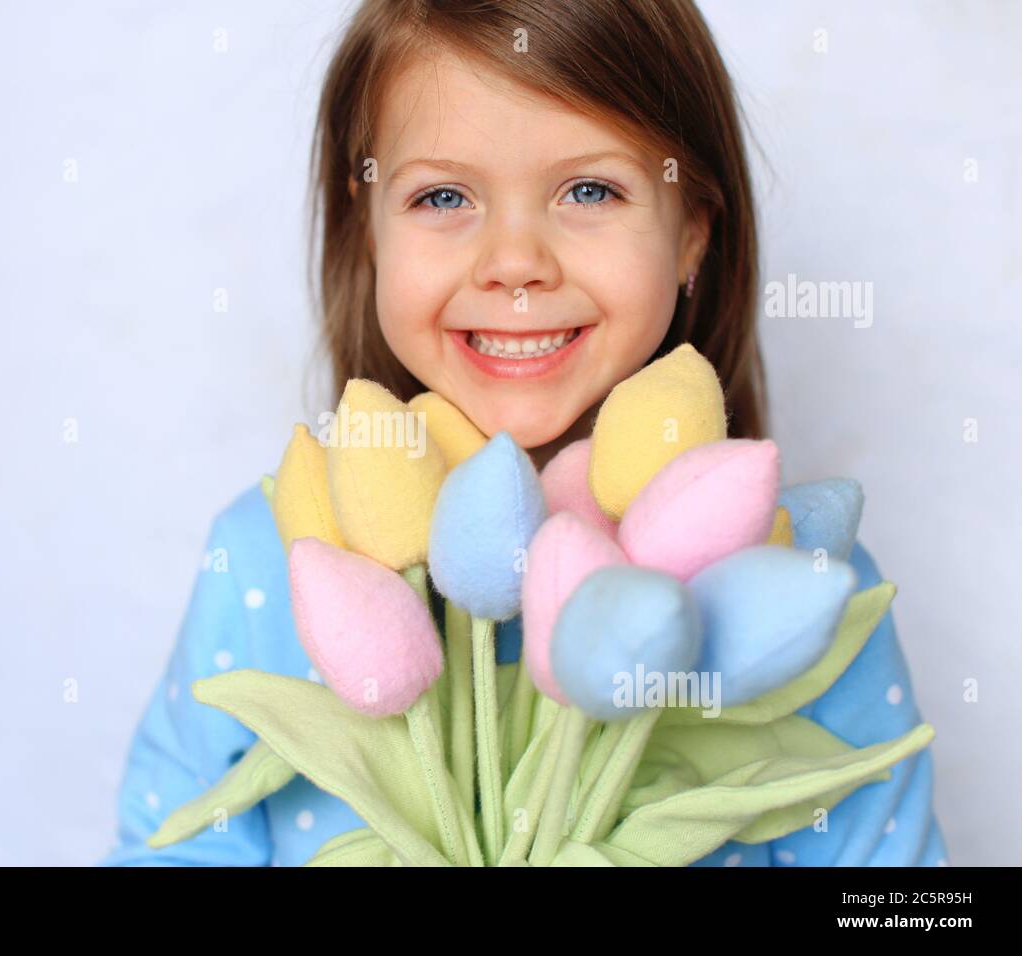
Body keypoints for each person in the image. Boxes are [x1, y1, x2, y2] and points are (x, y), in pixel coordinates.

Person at [102, 0, 948, 867]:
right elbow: (162, 849)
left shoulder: (799, 592)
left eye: (590, 190)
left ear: (691, 231)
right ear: (368, 231)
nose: (514, 263)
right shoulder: (269, 558)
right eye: (441, 195)